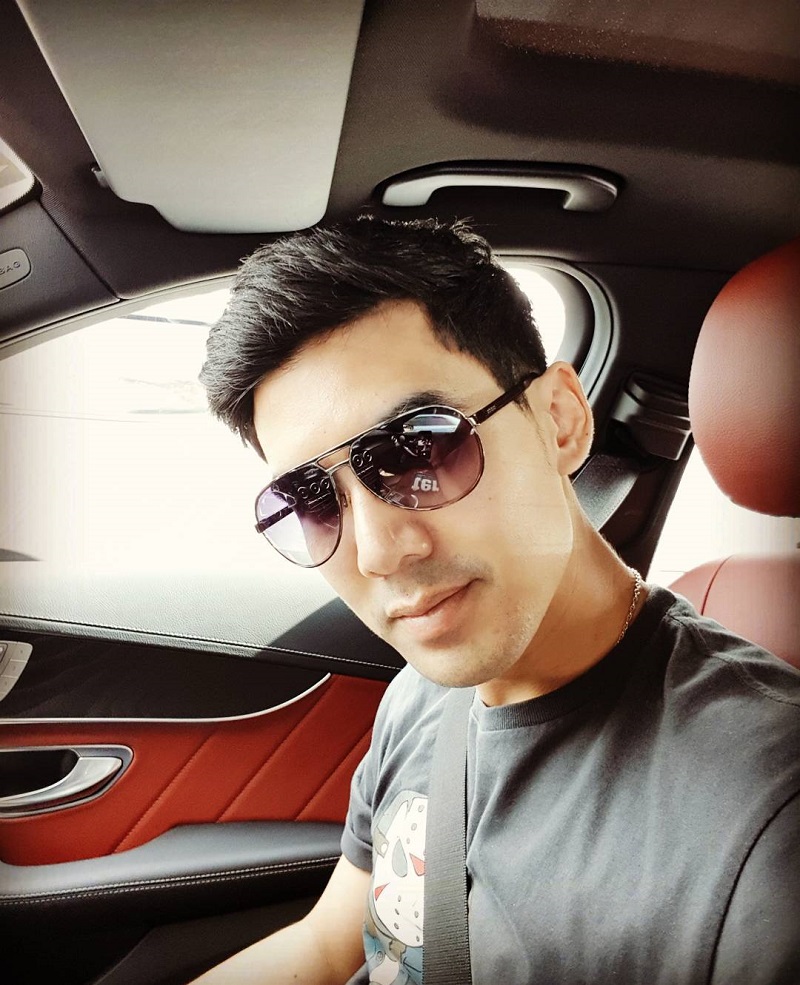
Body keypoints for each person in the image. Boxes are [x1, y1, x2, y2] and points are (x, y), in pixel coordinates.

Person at [192, 217, 800, 984]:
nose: (379, 552)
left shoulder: (767, 823)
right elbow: (327, 946)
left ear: (559, 421)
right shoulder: (418, 698)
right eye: (311, 500)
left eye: (419, 449)